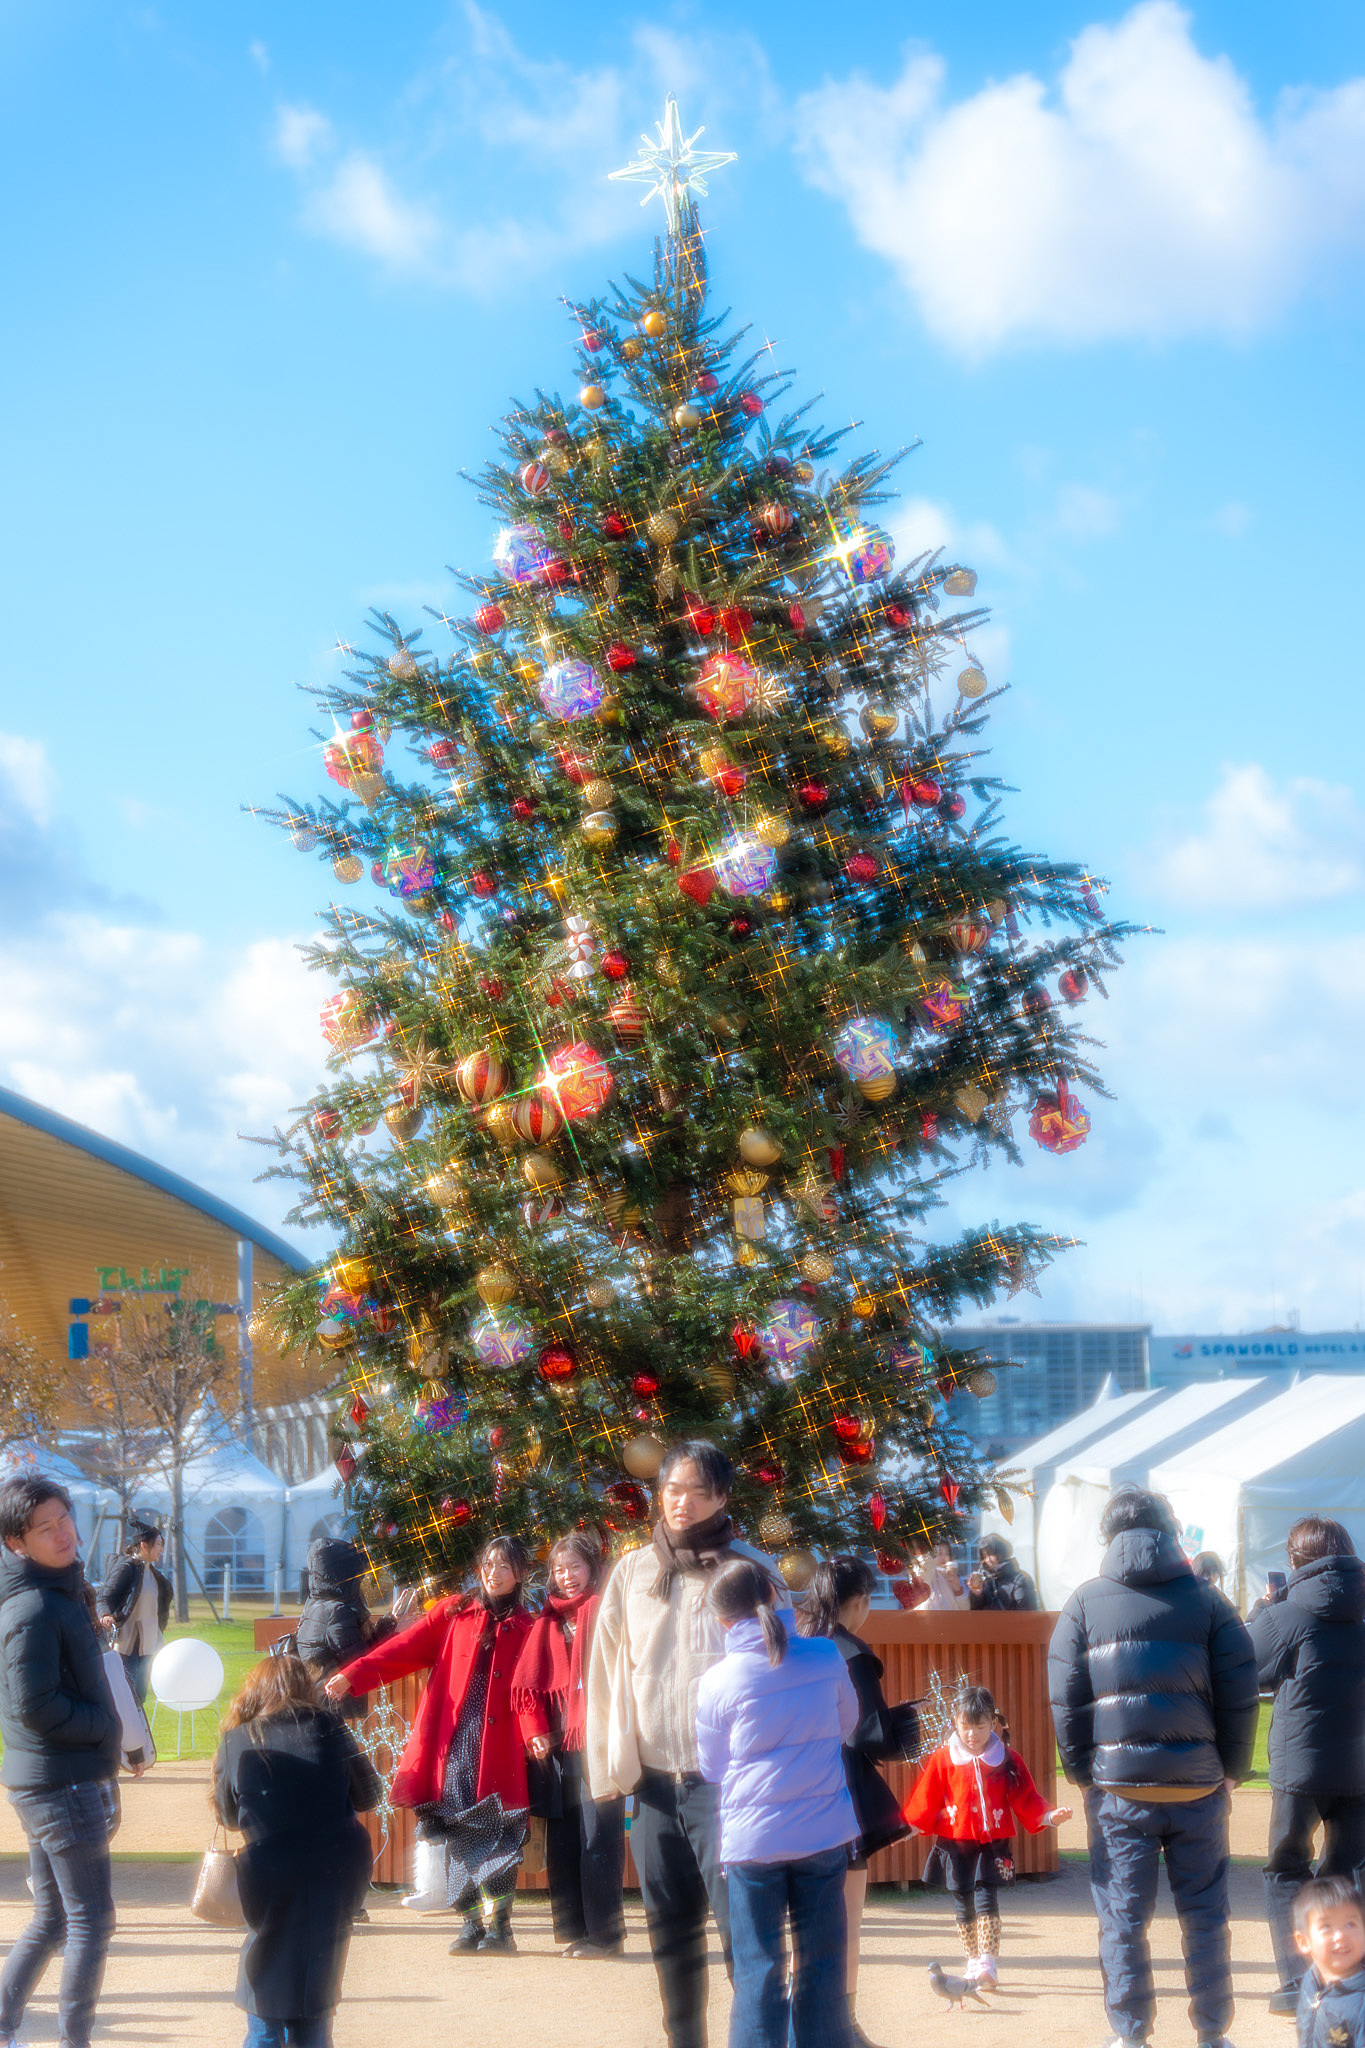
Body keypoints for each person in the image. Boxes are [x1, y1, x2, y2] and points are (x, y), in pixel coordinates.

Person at [587, 1438, 788, 2048]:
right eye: (673, 1488)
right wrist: (609, 1771)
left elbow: (787, 1673)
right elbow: (604, 1674)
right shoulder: (632, 1570)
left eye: (698, 1490)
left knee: (744, 1936)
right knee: (668, 1935)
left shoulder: (751, 1573)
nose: (682, 1501)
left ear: (722, 1497)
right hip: (651, 1785)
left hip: (729, 1789)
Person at [1048, 1483, 1258, 2048]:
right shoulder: (1211, 1602)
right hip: (1198, 1788)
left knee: (1122, 1918)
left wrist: (1082, 1774)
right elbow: (1241, 1695)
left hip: (1119, 1793)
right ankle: (1213, 2034)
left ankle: (1130, 2035)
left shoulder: (1084, 1601)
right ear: (1169, 1531)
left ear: (1108, 1537)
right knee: (1206, 1915)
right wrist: (1232, 1770)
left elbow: (1066, 1698)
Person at [326, 1534, 534, 1955]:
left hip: (506, 1750)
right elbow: (403, 1649)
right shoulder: (455, 1613)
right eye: (489, 1564)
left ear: (521, 1575)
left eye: (505, 1567)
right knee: (459, 1834)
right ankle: (471, 1922)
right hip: (456, 1746)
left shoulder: (530, 1627)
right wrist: (354, 1674)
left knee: (503, 1840)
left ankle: (502, 1928)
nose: (494, 1573)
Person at [696, 1557, 859, 2048]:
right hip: (822, 1830)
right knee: (824, 1965)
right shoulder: (826, 1655)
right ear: (773, 1594)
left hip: (753, 1842)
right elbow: (846, 1724)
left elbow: (711, 1767)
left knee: (759, 1971)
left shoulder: (717, 1681)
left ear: (722, 1620)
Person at [0, 1475, 124, 2048]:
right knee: (91, 1921)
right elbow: (35, 1705)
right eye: (44, 1527)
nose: (62, 1533)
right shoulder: (33, 1605)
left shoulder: (57, 1592)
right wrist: (106, 1729)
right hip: (59, 1783)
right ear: (15, 1543)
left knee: (53, 1918)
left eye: (63, 1518)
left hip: (55, 1777)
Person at [213, 1654, 377, 2048]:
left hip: (271, 1863)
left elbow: (229, 1817)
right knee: (318, 1974)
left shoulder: (239, 1738)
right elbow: (369, 1794)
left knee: (266, 1974)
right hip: (338, 1860)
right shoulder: (331, 1725)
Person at [1247, 1517, 1365, 2016]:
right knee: (1348, 1871)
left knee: (1285, 1869)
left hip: (1300, 1766)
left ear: (1295, 1561)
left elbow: (1249, 1673)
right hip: (1359, 1766)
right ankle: (1345, 1977)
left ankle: (1299, 1981)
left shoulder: (1284, 1615)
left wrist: (1260, 1616)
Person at [798, 1555, 918, 2042]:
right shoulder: (850, 1652)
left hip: (795, 1790)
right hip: (842, 1793)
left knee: (801, 1918)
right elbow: (870, 1734)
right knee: (847, 1918)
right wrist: (910, 1725)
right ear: (861, 1601)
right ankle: (842, 2024)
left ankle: (802, 2020)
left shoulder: (798, 1643)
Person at [904, 1682, 1069, 1987]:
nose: (972, 1734)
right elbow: (926, 1798)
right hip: (955, 1841)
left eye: (980, 1726)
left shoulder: (1007, 1758)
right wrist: (909, 1825)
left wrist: (1048, 1815)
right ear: (955, 1721)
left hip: (992, 1843)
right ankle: (971, 1960)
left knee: (985, 1897)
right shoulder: (943, 1759)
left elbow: (1026, 1796)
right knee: (962, 1900)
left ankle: (988, 1964)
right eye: (966, 1726)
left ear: (993, 1723)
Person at [513, 1530, 625, 1958]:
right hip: (556, 1752)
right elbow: (528, 1691)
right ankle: (575, 1931)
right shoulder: (546, 1620)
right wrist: (534, 1732)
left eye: (575, 1567)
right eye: (559, 1570)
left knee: (599, 1838)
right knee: (564, 1840)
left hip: (598, 1743)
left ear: (593, 1567)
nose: (567, 1577)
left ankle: (606, 1934)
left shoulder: (608, 1610)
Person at [296, 1536, 396, 1716]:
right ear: (343, 1577)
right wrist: (393, 1623)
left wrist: (390, 1621)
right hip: (338, 1710)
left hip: (321, 1704)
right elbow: (361, 1661)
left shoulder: (315, 1605)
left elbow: (353, 1650)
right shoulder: (336, 1612)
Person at [98, 1521, 171, 1705]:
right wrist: (105, 1614)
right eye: (159, 1544)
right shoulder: (127, 1568)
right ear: (144, 1545)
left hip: (148, 1646)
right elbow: (105, 1597)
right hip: (127, 1645)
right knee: (124, 1696)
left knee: (140, 1697)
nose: (161, 1549)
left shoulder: (153, 1573)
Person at [1292, 1875, 1365, 2048]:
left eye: (1350, 1924)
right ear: (1304, 1941)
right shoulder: (1312, 1978)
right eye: (1326, 1927)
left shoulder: (1361, 2001)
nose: (1340, 1936)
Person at [968, 1533, 1038, 1611]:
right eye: (984, 1556)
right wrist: (978, 1595)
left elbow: (1026, 1616)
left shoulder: (1020, 1579)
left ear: (1001, 1552)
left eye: (991, 1554)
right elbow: (976, 1613)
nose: (988, 1560)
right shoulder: (987, 1581)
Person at [920, 1542, 969, 1611]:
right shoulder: (927, 1575)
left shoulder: (955, 1576)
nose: (944, 1557)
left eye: (947, 1553)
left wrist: (957, 1588)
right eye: (939, 1553)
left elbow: (965, 1608)